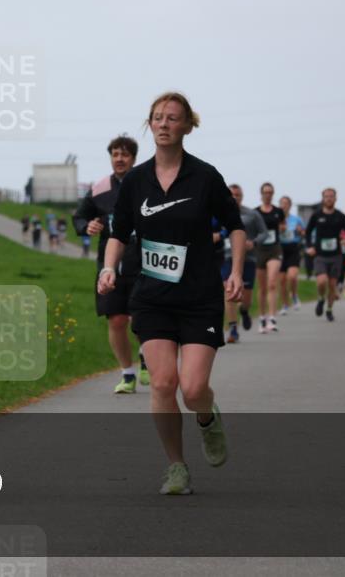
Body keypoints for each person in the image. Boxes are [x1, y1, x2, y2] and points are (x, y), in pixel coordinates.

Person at [98, 92, 244, 495]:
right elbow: (118, 232)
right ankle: (176, 467)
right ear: (150, 124)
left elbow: (235, 225)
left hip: (199, 296)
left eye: (173, 118)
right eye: (158, 118)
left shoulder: (204, 176)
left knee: (193, 388)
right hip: (152, 296)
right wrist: (109, 267)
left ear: (187, 126)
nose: (164, 124)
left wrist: (234, 272)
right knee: (163, 383)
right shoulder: (137, 181)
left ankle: (206, 417)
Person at [72, 134, 149, 393]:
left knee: (142, 319)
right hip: (110, 265)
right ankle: (128, 374)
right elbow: (79, 217)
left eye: (124, 154)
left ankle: (147, 358)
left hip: (143, 263)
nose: (119, 159)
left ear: (133, 158)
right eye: (115, 154)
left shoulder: (147, 183)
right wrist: (87, 226)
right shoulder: (100, 189)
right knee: (116, 320)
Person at [223, 185, 267, 344]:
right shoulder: (221, 212)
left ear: (242, 196)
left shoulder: (252, 214)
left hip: (248, 259)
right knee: (228, 291)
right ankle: (233, 328)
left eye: (238, 195)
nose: (235, 197)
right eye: (232, 195)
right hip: (227, 256)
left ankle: (245, 310)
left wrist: (253, 243)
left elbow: (264, 233)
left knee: (245, 296)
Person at [305, 187, 345, 322]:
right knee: (321, 282)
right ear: (323, 198)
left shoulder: (340, 216)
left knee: (332, 285)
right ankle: (321, 299)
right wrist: (309, 246)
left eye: (331, 196)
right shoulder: (317, 215)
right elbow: (308, 232)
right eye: (326, 196)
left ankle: (329, 309)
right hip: (320, 255)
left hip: (336, 255)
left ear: (335, 198)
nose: (329, 199)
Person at [254, 183, 285, 333]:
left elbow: (283, 225)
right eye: (265, 192)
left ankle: (272, 317)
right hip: (260, 250)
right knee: (262, 287)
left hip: (274, 249)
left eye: (270, 192)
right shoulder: (255, 212)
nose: (268, 195)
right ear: (261, 194)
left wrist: (284, 229)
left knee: (272, 282)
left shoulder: (278, 211)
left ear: (273, 194)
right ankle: (262, 317)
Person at [278, 195, 305, 312]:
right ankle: (284, 304)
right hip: (279, 249)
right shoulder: (276, 218)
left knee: (292, 276)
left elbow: (304, 233)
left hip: (293, 248)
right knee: (282, 280)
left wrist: (300, 231)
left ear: (289, 205)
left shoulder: (296, 219)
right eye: (282, 203)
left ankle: (294, 296)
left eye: (286, 203)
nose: (284, 206)